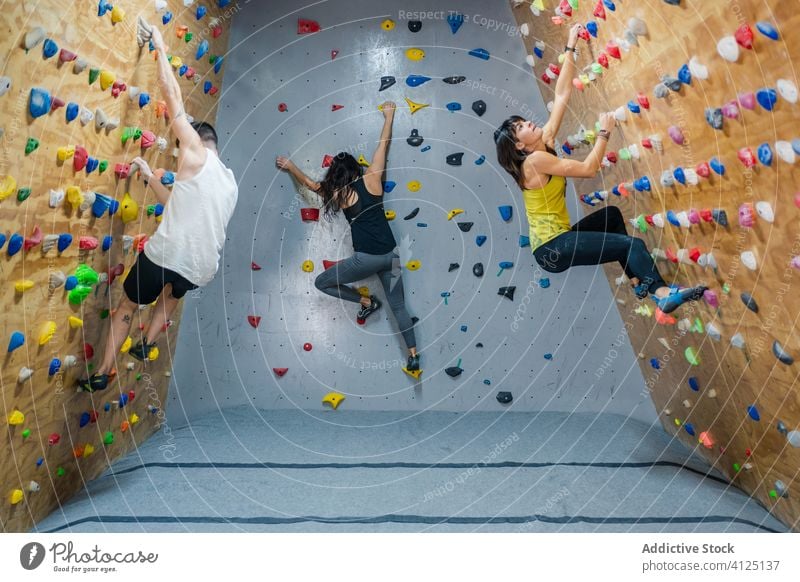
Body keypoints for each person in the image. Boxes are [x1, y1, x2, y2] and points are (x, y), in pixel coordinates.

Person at [494, 24, 706, 314]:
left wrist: (570, 45)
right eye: (521, 127)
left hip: (558, 240)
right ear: (520, 146)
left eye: (522, 121)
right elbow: (588, 169)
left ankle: (637, 282)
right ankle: (662, 292)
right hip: (551, 248)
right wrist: (604, 133)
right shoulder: (533, 162)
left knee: (612, 217)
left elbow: (562, 94)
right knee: (631, 245)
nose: (527, 123)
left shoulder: (544, 141)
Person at [78, 26, 239, 392]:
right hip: (200, 268)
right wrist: (151, 178)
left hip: (169, 254)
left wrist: (161, 46)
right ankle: (146, 343)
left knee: (127, 307)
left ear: (199, 141)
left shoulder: (195, 150)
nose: (181, 152)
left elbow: (172, 97)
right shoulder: (229, 183)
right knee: (171, 292)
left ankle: (103, 369)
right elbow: (180, 208)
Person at [276, 101, 420, 372]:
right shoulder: (373, 178)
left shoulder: (338, 194)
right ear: (356, 169)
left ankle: (366, 302)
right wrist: (389, 116)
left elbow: (309, 183)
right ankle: (413, 356)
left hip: (365, 261)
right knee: (400, 306)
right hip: (392, 257)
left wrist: (291, 166)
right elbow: (382, 145)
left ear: (336, 175)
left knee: (322, 282)